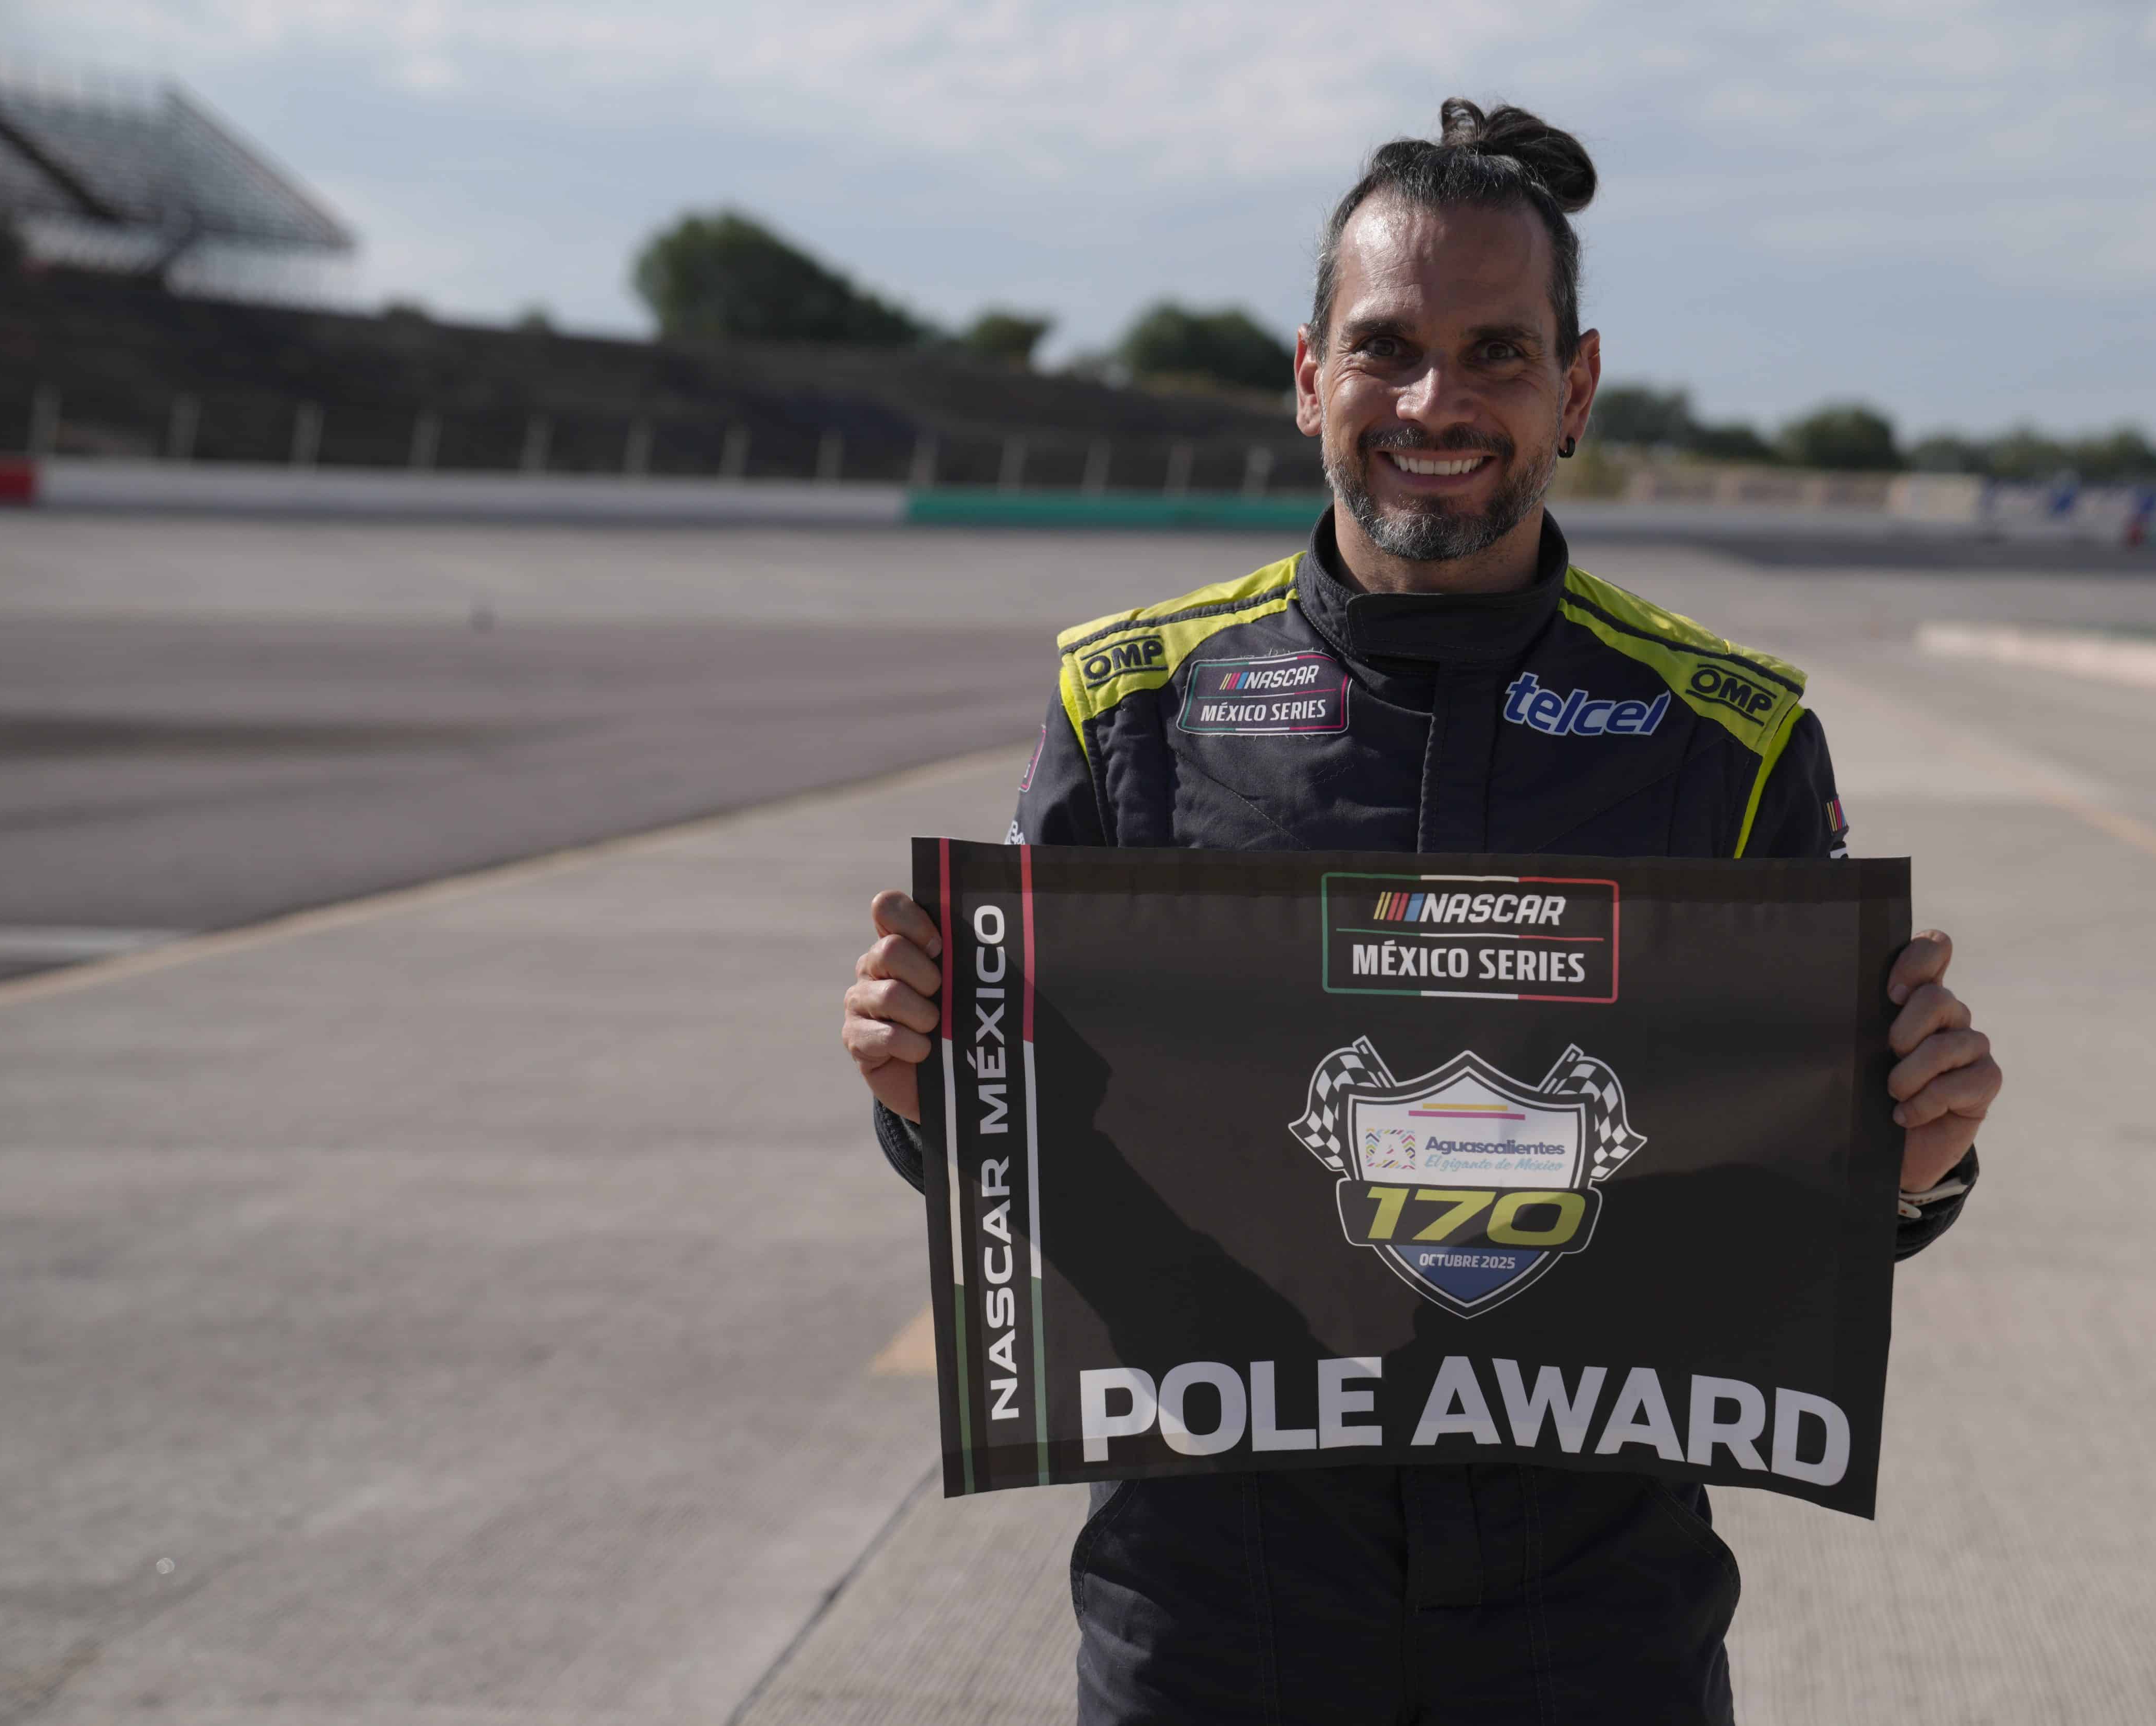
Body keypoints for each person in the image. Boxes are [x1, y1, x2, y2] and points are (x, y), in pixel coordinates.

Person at [843, 99, 2004, 1725]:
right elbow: (1040, 1153)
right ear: (1307, 374)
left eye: (1495, 353)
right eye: (1384, 347)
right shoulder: (1136, 706)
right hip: (1215, 1593)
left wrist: (1914, 1161)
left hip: (1589, 1604)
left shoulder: (1723, 741)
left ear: (1574, 389)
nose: (1434, 403)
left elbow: (1791, 1201)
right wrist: (926, 1093)